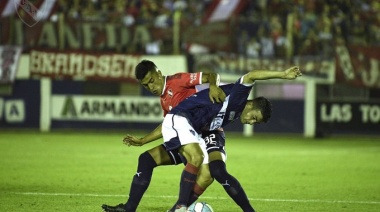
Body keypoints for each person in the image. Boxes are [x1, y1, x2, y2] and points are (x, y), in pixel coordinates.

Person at [162, 66, 302, 211]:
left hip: (209, 130)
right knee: (196, 163)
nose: (251, 122)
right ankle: (180, 207)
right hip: (191, 125)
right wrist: (282, 74)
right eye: (254, 117)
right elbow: (251, 75)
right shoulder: (239, 96)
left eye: (255, 122)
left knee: (216, 172)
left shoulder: (235, 111)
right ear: (250, 104)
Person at [102, 59, 226, 212]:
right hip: (185, 138)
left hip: (201, 136)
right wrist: (142, 141)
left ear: (159, 74)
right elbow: (167, 125)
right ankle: (129, 208)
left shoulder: (177, 80)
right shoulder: (164, 99)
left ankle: (179, 208)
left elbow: (211, 75)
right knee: (146, 159)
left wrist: (213, 87)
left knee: (205, 174)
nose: (151, 87)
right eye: (146, 85)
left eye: (152, 81)